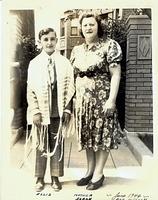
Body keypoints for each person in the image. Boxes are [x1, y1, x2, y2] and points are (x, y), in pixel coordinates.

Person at [70, 11, 123, 190]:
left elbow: (116, 75)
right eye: (85, 25)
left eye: (92, 24)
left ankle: (99, 173)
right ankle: (89, 171)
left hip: (102, 99)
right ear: (81, 29)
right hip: (83, 103)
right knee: (88, 136)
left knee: (102, 135)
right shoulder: (77, 50)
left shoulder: (110, 46)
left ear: (98, 26)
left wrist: (112, 100)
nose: (88, 27)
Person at [27, 28, 75, 192]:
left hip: (58, 111)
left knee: (57, 144)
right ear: (40, 42)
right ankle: (40, 177)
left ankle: (55, 177)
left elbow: (70, 88)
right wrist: (35, 110)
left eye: (52, 39)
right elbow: (30, 90)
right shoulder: (34, 64)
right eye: (45, 39)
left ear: (56, 41)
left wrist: (67, 110)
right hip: (41, 112)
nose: (49, 42)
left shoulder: (64, 62)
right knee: (41, 144)